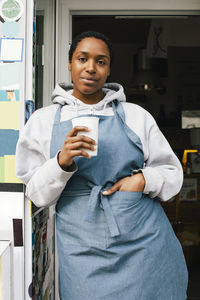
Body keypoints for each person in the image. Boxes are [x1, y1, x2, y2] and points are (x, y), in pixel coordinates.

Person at [16, 31, 188, 300]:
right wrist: (61, 162)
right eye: (82, 59)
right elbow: (37, 195)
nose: (90, 68)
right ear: (70, 64)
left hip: (142, 240)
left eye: (101, 61)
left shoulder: (135, 115)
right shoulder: (42, 121)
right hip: (80, 245)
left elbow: (172, 173)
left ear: (108, 71)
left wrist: (142, 180)